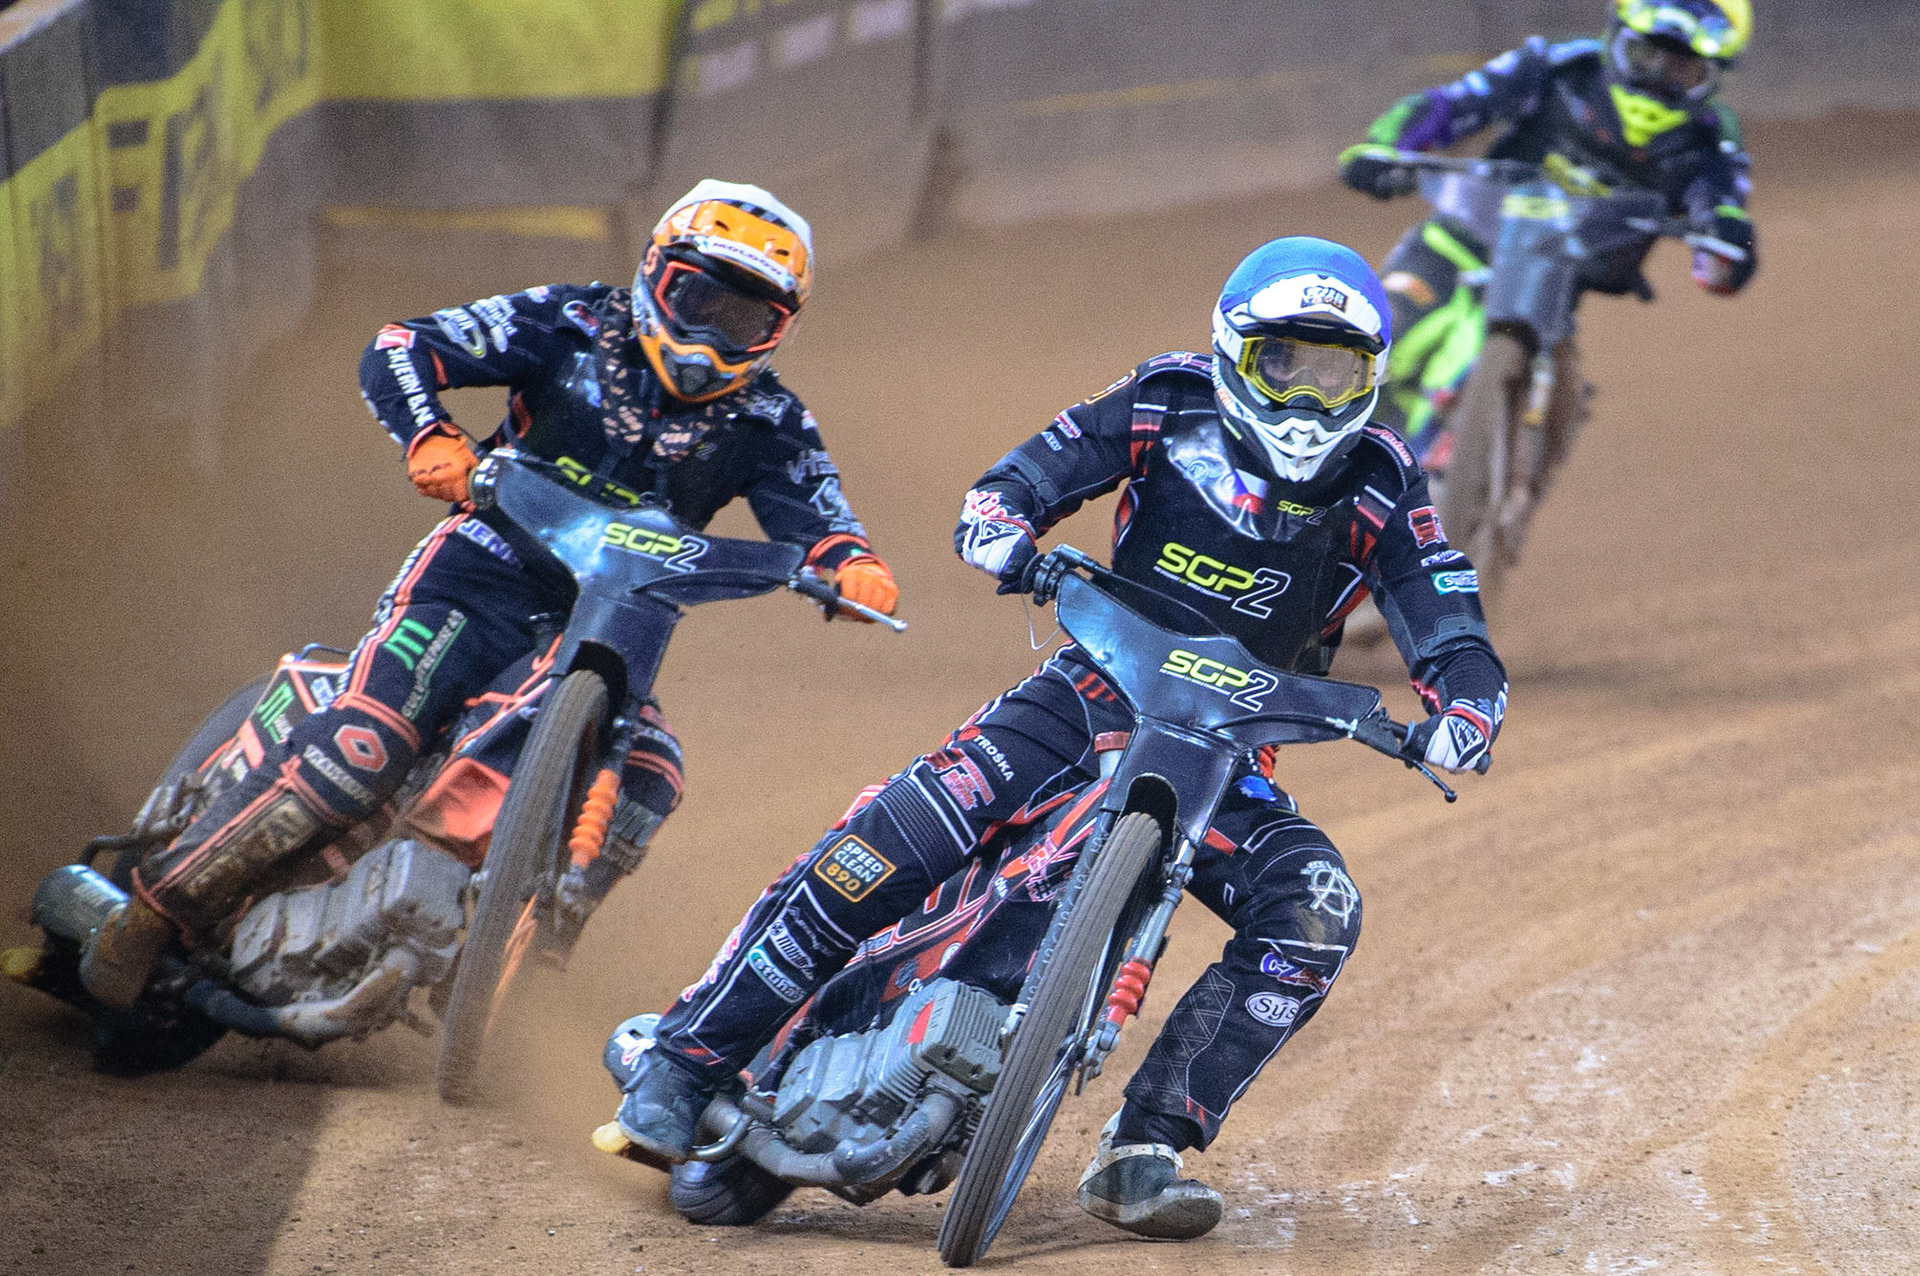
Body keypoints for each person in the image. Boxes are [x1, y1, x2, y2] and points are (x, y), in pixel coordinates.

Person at [603, 237, 1506, 1239]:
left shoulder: (1383, 479)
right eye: (1282, 363)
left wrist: (1467, 706)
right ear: (1231, 351)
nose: (1304, 398)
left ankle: (1144, 1144)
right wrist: (1000, 516)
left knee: (1316, 911)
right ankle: (687, 1061)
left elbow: (1447, 611)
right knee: (891, 839)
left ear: (1371, 374)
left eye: (1333, 370)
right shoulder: (1165, 401)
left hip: (1228, 759)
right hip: (1088, 692)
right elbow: (1034, 470)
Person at [78, 180, 899, 1010]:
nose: (710, 332)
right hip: (480, 572)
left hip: (613, 624)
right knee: (363, 748)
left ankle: (525, 962)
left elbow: (821, 515)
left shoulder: (771, 421)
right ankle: (150, 915)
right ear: (656, 273)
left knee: (651, 771)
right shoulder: (572, 322)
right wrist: (431, 436)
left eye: (743, 319)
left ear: (776, 331)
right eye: (698, 298)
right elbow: (402, 346)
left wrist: (851, 564)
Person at [1339, 0, 1757, 454]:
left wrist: (1724, 243)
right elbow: (1454, 103)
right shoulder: (1556, 67)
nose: (1657, 80)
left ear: (1713, 79)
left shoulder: (1714, 140)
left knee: (1567, 403)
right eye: (1645, 57)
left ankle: (1498, 500)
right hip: (1457, 243)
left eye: (1682, 71)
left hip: (1549, 293)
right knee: (1379, 327)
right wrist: (1386, 147)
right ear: (1615, 40)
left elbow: (1722, 206)